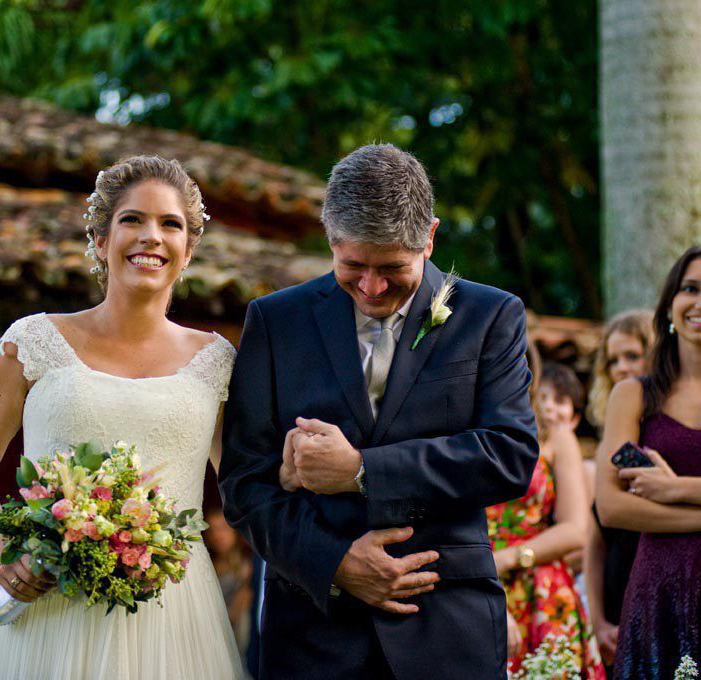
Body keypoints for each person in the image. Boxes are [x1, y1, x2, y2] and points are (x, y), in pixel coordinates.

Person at [219, 144, 539, 679]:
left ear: (430, 236)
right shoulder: (275, 322)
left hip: (447, 629)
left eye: (392, 268)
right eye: (353, 267)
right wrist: (336, 563)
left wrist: (362, 472)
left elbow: (510, 455)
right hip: (313, 634)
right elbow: (244, 483)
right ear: (330, 239)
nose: (371, 287)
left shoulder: (491, 316)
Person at [0, 156, 244, 679]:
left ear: (189, 249)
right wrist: (7, 555)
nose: (150, 237)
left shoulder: (218, 362)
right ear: (100, 238)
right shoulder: (31, 343)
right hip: (48, 611)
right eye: (132, 219)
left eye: (170, 224)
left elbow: (247, 489)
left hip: (173, 619)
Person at [596, 244, 701, 677]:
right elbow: (612, 508)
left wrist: (675, 489)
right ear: (671, 304)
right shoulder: (631, 394)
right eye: (691, 288)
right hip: (659, 588)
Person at [488, 354, 605, 677]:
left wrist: (510, 557)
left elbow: (575, 529)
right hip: (470, 582)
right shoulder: (455, 425)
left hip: (540, 592)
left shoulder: (553, 435)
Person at [582, 310, 653, 676]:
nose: (622, 367)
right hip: (617, 598)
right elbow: (595, 540)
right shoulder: (612, 442)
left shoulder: (676, 434)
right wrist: (597, 619)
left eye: (632, 356)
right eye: (613, 360)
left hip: (667, 591)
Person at [204, 509, 253, 668]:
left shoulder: (245, 568)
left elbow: (236, 612)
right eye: (213, 530)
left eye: (223, 528)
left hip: (234, 638)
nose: (218, 535)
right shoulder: (206, 568)